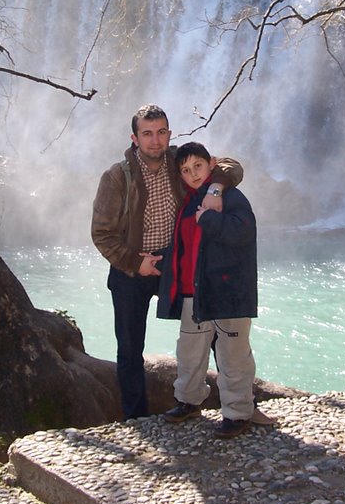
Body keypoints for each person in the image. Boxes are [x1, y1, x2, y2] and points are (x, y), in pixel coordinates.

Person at [91, 105, 242, 421]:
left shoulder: (180, 162)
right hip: (131, 269)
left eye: (161, 132)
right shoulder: (117, 177)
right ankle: (137, 419)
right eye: (147, 133)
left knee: (208, 328)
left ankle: (235, 406)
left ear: (170, 134)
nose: (155, 141)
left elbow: (230, 166)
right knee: (130, 349)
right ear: (135, 138)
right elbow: (102, 234)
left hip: (176, 262)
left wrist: (215, 187)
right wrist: (135, 263)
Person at [157, 141, 258, 439]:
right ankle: (188, 401)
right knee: (189, 352)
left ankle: (238, 414)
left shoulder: (232, 196)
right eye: (186, 170)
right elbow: (187, 248)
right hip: (194, 292)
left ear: (211, 164)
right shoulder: (188, 202)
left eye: (198, 166)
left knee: (233, 355)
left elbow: (243, 231)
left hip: (227, 293)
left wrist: (210, 218)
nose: (193, 174)